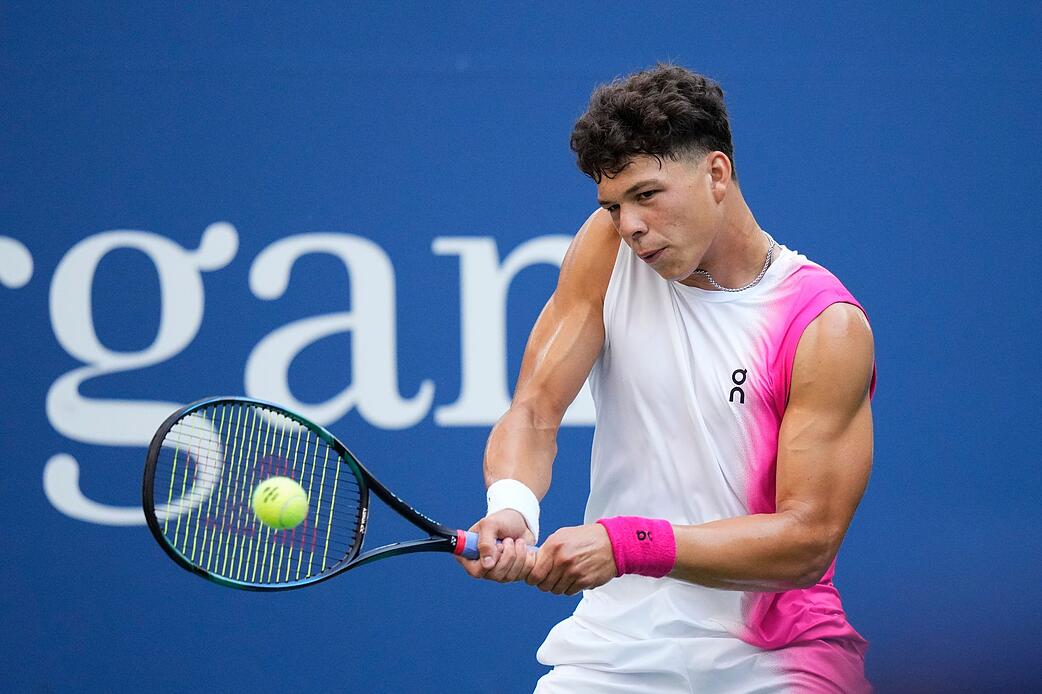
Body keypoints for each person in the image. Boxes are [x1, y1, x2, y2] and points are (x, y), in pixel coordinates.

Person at [458, 63, 876, 693]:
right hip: (613, 651)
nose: (628, 224)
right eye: (612, 205)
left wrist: (629, 545)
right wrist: (512, 504)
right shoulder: (607, 251)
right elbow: (536, 409)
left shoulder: (823, 325)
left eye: (647, 195)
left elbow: (808, 541)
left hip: (778, 656)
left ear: (716, 174)